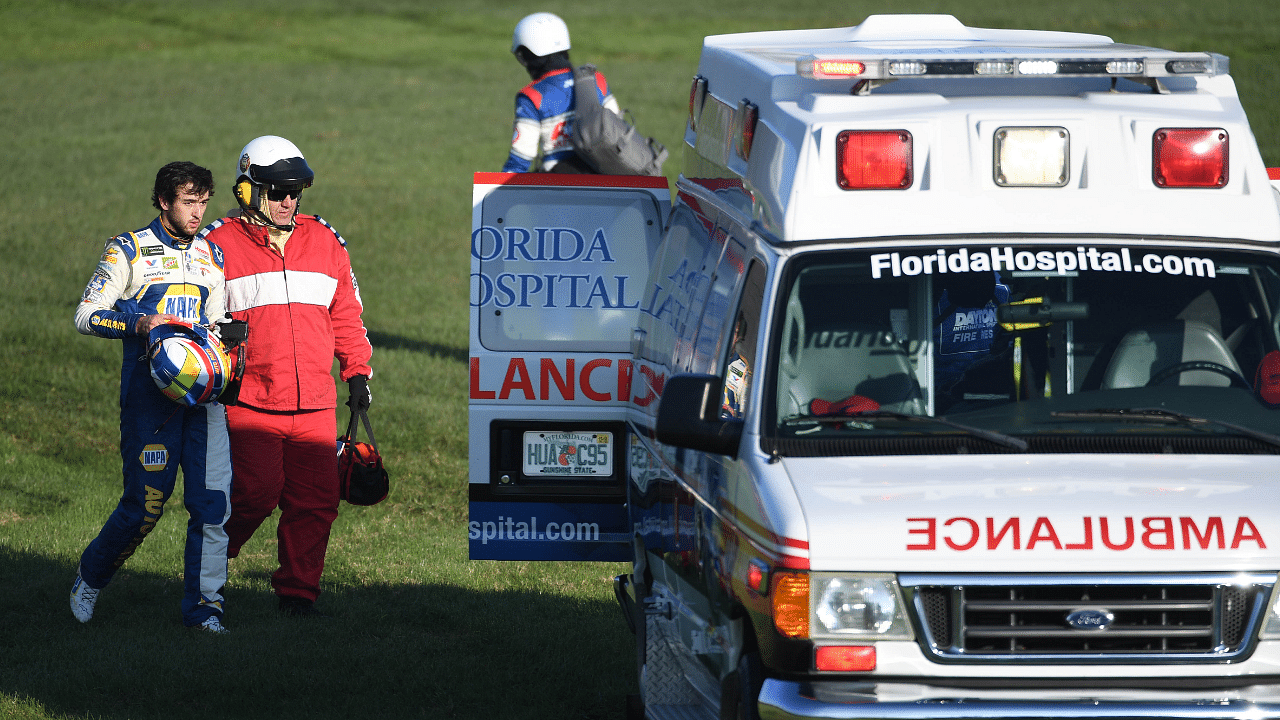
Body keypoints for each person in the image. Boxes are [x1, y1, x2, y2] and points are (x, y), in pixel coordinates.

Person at [201, 135, 373, 617]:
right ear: (248, 191)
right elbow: (190, 318)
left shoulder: (324, 240)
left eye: (296, 191)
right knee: (255, 493)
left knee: (317, 501)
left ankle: (297, 594)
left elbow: (347, 315)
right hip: (249, 400)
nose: (289, 201)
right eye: (278, 191)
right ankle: (209, 567)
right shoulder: (216, 245)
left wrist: (357, 373)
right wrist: (219, 330)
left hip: (315, 404)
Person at [70, 161, 232, 634]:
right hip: (149, 398)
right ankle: (90, 576)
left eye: (203, 201)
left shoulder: (212, 256)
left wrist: (228, 343)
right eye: (188, 201)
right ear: (164, 201)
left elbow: (217, 325)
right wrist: (137, 324)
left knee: (210, 507)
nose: (198, 211)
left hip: (204, 400)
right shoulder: (129, 250)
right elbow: (86, 314)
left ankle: (205, 611)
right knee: (145, 506)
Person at [502, 11, 622, 173]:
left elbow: (520, 160)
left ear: (529, 54)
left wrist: (497, 192)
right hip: (607, 177)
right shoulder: (595, 79)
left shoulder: (532, 97)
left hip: (560, 187)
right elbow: (619, 131)